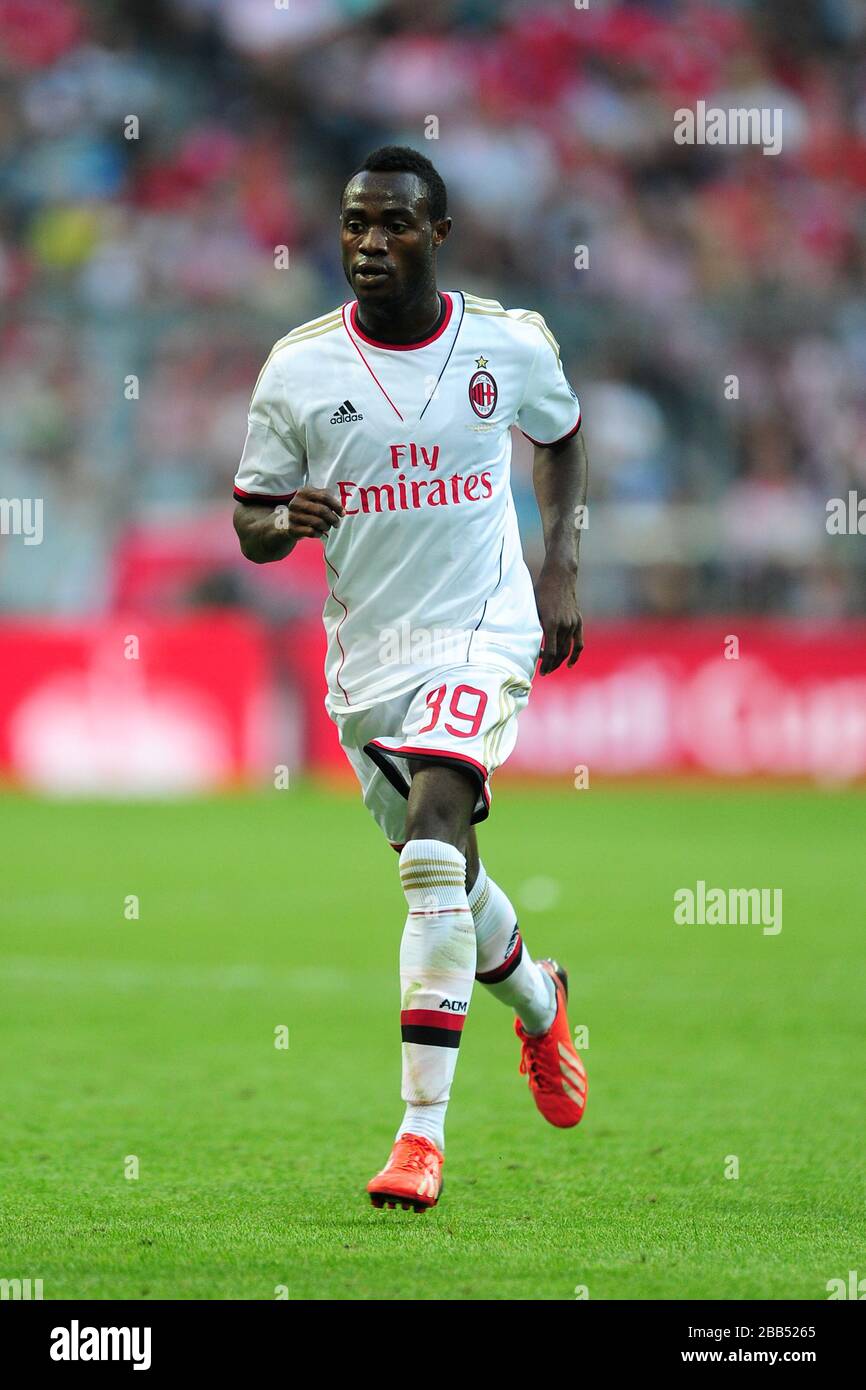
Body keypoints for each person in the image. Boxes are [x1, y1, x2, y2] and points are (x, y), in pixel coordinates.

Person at [233, 146, 588, 1211]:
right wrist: (277, 522)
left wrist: (558, 564)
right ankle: (539, 999)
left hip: (480, 627)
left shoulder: (506, 344)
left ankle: (418, 1140)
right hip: (367, 662)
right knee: (441, 871)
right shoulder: (296, 368)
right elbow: (248, 516)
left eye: (391, 224)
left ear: (436, 234)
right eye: (352, 224)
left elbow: (561, 437)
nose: (368, 243)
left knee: (437, 832)